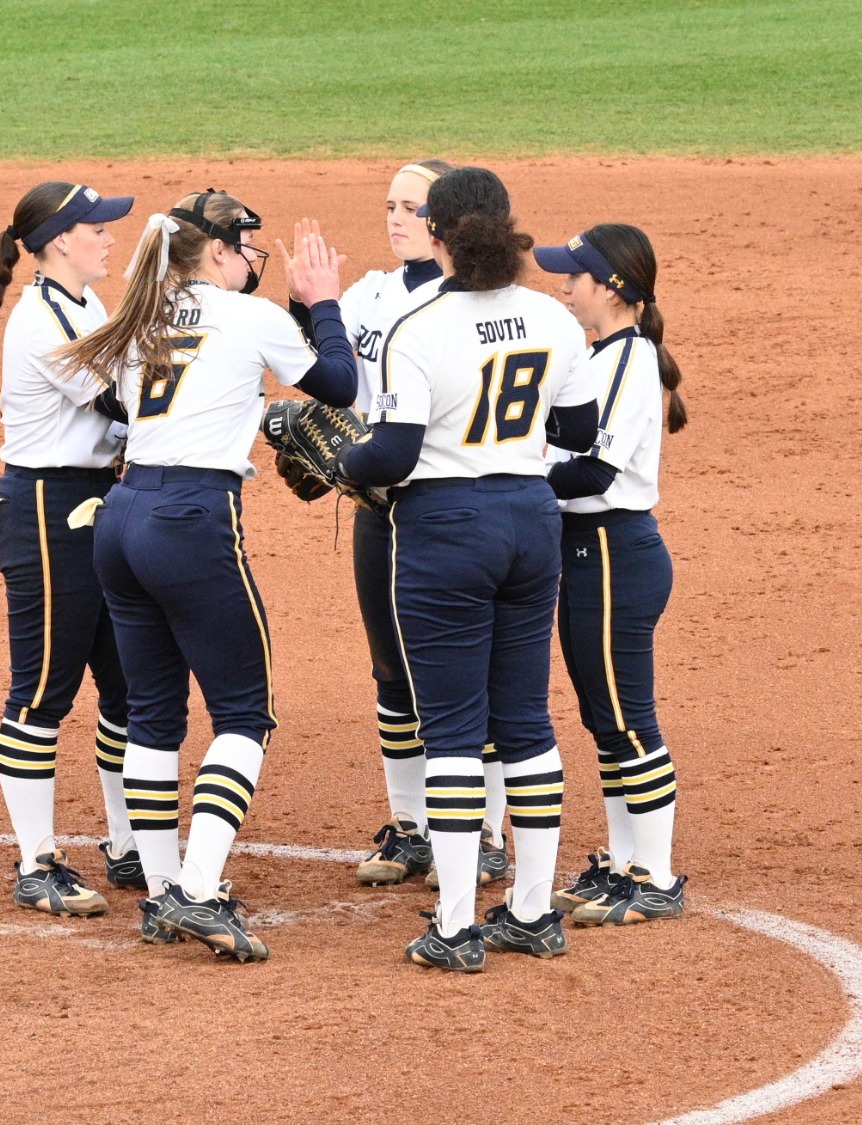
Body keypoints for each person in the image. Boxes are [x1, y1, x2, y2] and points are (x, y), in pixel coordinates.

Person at [54, 191, 356, 961]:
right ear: (215, 251)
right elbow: (340, 385)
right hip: (192, 520)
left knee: (154, 712)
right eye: (246, 246)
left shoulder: (141, 316)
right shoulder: (247, 317)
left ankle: (163, 894)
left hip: (123, 516)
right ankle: (195, 887)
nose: (254, 259)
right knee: (244, 716)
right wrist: (321, 304)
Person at [340, 167, 598, 972]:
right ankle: (530, 911)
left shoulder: (419, 324)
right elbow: (581, 429)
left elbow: (395, 452)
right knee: (525, 720)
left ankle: (454, 926)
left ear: (441, 234)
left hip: (446, 527)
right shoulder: (552, 317)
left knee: (450, 728)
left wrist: (341, 460)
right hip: (529, 519)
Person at [279, 159, 512, 889]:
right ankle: (411, 826)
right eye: (389, 204)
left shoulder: (473, 300)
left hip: (447, 508)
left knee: (470, 678)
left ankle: (485, 832)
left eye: (412, 206)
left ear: (446, 219)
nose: (396, 217)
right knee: (391, 672)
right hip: (378, 509)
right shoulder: (371, 293)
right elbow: (330, 371)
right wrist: (304, 306)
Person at [0, 182, 138, 917]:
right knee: (42, 688)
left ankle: (129, 845)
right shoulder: (41, 321)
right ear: (61, 240)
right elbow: (121, 404)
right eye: (99, 228)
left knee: (126, 684)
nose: (110, 238)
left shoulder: (86, 304)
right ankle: (37, 860)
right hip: (45, 508)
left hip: (97, 502)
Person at [533, 224, 691, 925]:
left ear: (615, 288)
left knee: (630, 721)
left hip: (613, 552)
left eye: (576, 276)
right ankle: (626, 865)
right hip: (587, 552)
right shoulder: (599, 357)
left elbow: (595, 470)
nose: (564, 287)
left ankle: (655, 873)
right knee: (605, 721)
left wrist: (517, 478)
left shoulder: (632, 361)